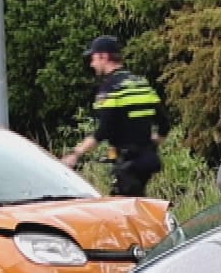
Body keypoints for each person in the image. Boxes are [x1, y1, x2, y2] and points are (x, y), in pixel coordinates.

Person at [60, 35, 168, 197]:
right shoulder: (141, 84)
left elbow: (104, 131)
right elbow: (164, 125)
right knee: (137, 204)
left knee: (124, 211)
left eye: (94, 58)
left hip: (128, 164)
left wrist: (76, 154)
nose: (92, 63)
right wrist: (148, 145)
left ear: (104, 56)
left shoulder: (110, 88)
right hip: (147, 160)